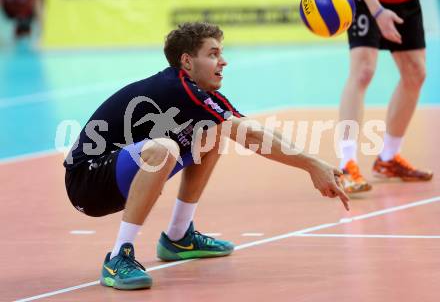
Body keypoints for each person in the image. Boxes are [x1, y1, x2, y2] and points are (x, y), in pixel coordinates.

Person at [64, 22, 349, 290]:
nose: (222, 62)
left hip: (118, 173)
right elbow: (251, 137)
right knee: (166, 148)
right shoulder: (177, 88)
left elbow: (249, 130)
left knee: (213, 132)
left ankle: (178, 237)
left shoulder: (196, 95)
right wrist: (312, 165)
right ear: (187, 62)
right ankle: (118, 258)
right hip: (87, 181)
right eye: (213, 54)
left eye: (221, 54)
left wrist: (313, 163)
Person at [338, 0, 434, 193]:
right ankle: (346, 165)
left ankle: (388, 158)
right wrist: (378, 12)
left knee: (416, 73)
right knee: (363, 70)